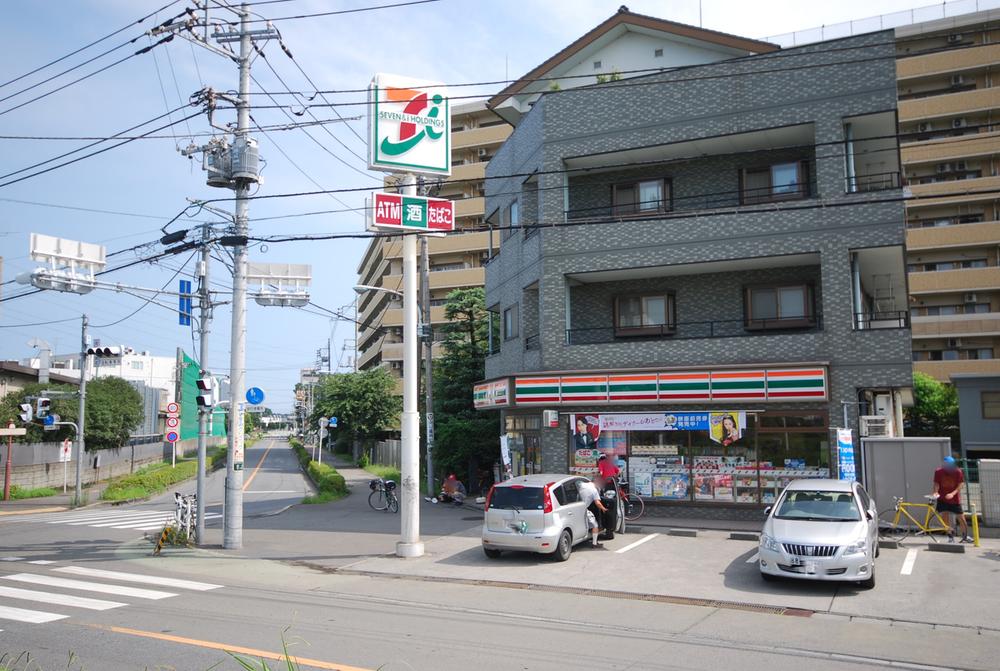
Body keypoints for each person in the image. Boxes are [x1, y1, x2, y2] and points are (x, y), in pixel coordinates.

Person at [933, 456, 971, 543]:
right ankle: (950, 536)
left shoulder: (958, 471)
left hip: (954, 499)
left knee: (961, 516)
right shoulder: (938, 471)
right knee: (945, 516)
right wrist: (935, 492)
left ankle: (965, 535)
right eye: (945, 465)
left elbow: (960, 484)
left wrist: (952, 494)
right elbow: (936, 483)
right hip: (942, 498)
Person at [578, 478, 608, 548]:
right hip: (583, 509)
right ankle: (594, 544)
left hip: (575, 507)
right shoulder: (594, 490)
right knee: (595, 525)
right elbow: (597, 503)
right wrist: (604, 509)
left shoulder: (582, 484)